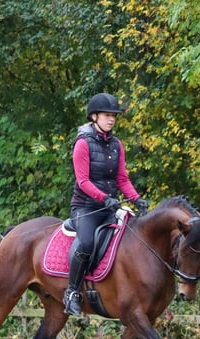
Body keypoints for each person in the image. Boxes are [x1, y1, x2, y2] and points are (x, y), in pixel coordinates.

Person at [63, 92, 148, 315]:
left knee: (133, 237)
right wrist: (105, 198)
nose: (111, 119)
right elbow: (83, 181)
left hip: (110, 207)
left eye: (114, 116)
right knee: (87, 244)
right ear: (94, 116)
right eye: (106, 115)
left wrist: (136, 199)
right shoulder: (83, 143)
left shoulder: (117, 145)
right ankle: (71, 292)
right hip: (85, 208)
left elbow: (122, 179)